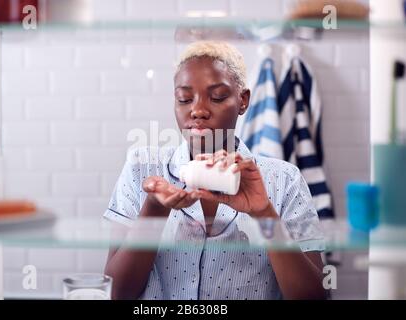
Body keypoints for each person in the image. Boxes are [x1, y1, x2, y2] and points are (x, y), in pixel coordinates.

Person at [104, 41, 326, 300]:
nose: (197, 110)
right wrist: (154, 209)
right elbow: (116, 293)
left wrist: (265, 215)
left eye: (217, 96)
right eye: (184, 99)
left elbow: (313, 298)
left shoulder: (284, 179)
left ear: (243, 101)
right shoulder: (142, 168)